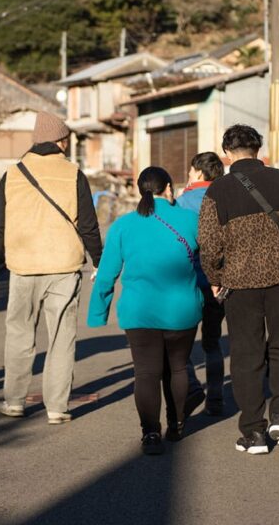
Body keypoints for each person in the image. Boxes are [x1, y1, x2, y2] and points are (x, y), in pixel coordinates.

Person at [0, 112, 103, 424]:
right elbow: (88, 225)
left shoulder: (12, 174)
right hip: (63, 267)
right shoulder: (74, 174)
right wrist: (99, 261)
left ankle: (14, 402)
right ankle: (57, 408)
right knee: (62, 338)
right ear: (60, 141)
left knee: (19, 336)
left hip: (23, 267)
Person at [198, 125, 279, 455]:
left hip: (239, 283)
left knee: (246, 354)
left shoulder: (217, 190)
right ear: (258, 148)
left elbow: (208, 241)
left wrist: (215, 276)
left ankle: (253, 431)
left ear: (227, 153)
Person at [88, 167, 203, 455]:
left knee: (146, 372)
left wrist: (98, 312)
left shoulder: (123, 225)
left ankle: (150, 433)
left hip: (139, 311)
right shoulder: (191, 220)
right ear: (169, 189)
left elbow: (106, 274)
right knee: (178, 367)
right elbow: (211, 260)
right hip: (182, 309)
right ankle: (176, 424)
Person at [163, 151, 226, 420]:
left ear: (199, 172)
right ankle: (216, 398)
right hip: (219, 283)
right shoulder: (225, 199)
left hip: (188, 282)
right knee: (212, 343)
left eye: (190, 170)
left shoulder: (182, 202)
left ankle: (191, 385)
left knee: (180, 345)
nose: (188, 175)